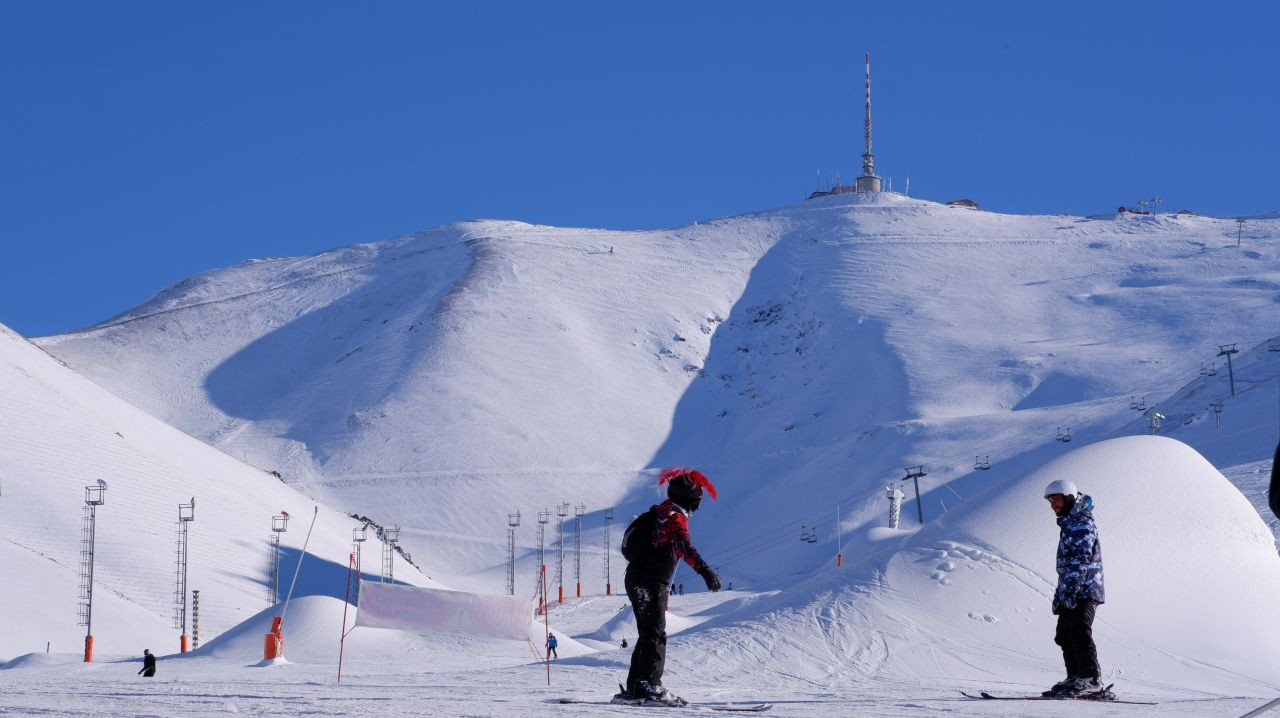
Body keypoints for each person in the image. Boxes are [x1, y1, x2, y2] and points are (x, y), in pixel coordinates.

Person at [613, 468, 721, 707]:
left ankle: (637, 686)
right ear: (691, 500)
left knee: (648, 632)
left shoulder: (659, 511)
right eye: (697, 501)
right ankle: (650, 686)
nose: (697, 508)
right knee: (655, 633)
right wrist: (705, 571)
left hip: (637, 578)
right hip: (650, 581)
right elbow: (684, 545)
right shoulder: (675, 516)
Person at [1042, 480, 1105, 698]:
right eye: (1050, 501)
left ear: (1069, 497)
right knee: (1064, 635)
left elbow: (1080, 559)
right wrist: (1061, 593)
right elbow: (1067, 565)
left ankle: (1091, 678)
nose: (1053, 505)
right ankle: (1076, 677)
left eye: (1056, 499)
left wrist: (1071, 589)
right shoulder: (1070, 523)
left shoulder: (1080, 523)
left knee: (1079, 631)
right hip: (1072, 588)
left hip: (1085, 589)